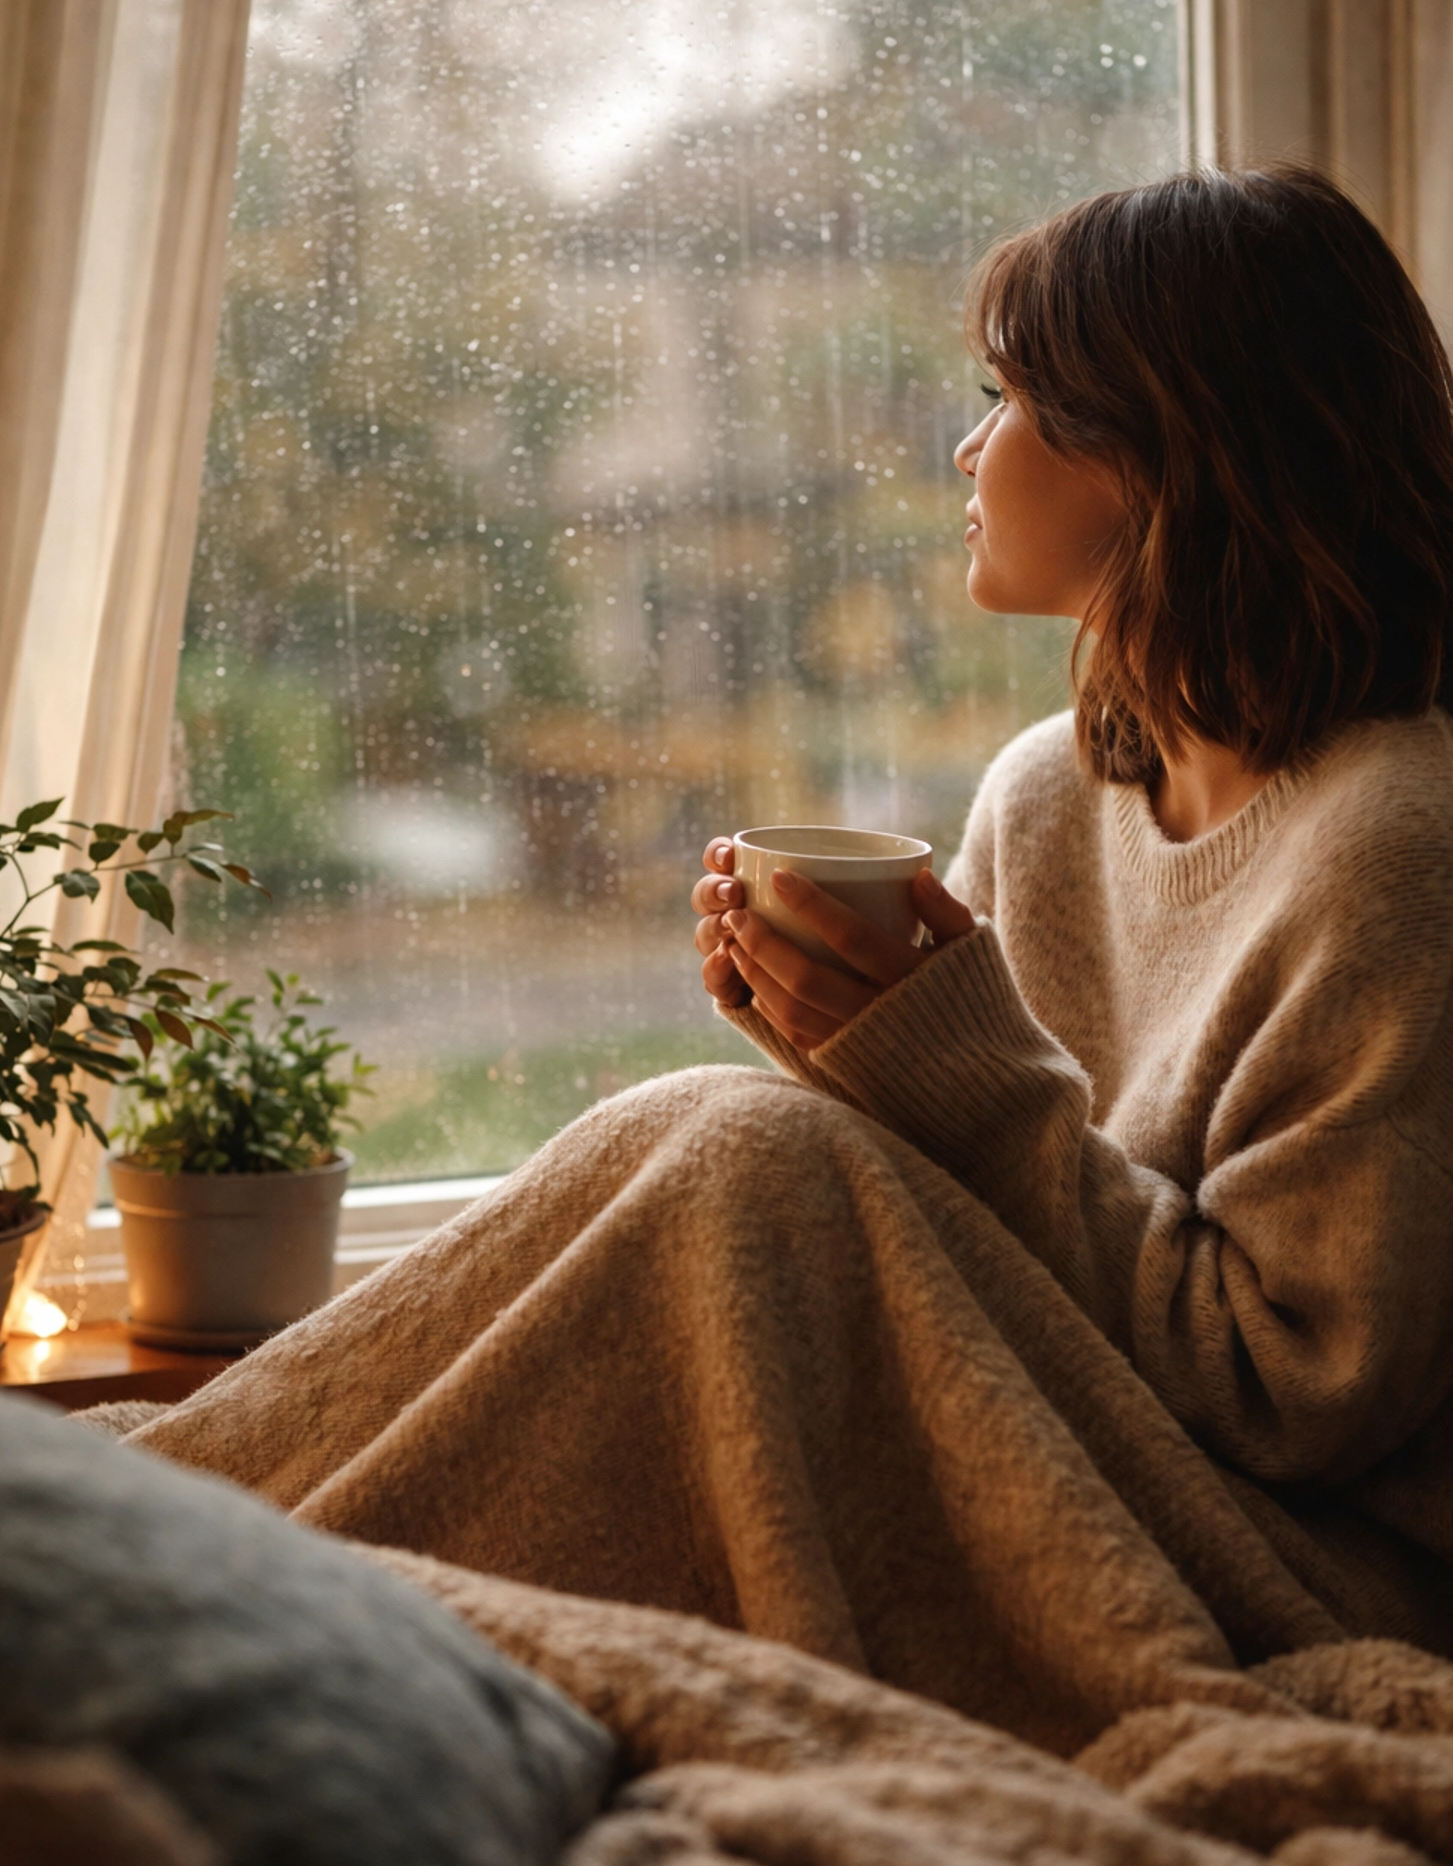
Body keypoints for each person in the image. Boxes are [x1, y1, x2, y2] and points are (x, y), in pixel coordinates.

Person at [129, 166, 1453, 1748]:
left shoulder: (1396, 847)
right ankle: (162, 1526)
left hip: (1286, 1556)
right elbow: (959, 1214)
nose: (968, 448)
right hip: (1054, 1440)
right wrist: (834, 1035)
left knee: (750, 1161)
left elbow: (1294, 1393)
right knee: (723, 1130)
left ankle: (181, 1583)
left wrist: (944, 1073)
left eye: (1011, 396)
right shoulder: (1049, 792)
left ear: (1167, 448)